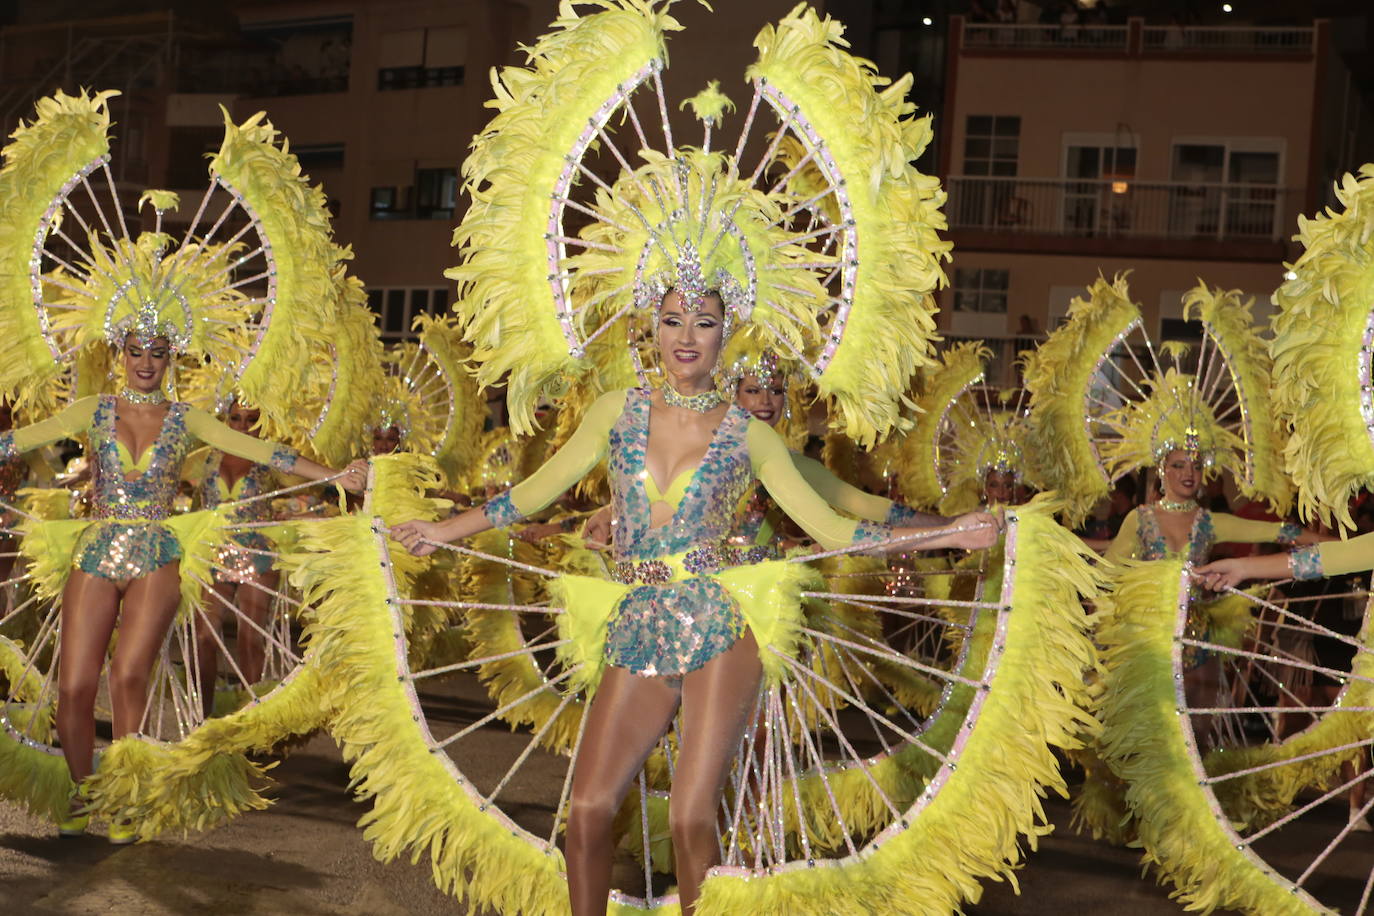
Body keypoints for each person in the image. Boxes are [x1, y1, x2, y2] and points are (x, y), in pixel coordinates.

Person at [392, 287, 997, 915]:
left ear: (723, 335)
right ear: (651, 329)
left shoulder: (750, 436)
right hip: (637, 623)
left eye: (703, 323)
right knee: (589, 810)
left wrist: (945, 532)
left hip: (719, 623)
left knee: (688, 817)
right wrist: (443, 530)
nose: (686, 336)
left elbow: (834, 527)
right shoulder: (613, 411)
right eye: (673, 320)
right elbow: (531, 492)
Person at [0, 333, 362, 840]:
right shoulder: (93, 409)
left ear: (171, 358)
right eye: (135, 351)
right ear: (119, 355)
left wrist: (335, 476)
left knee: (128, 675)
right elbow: (18, 441)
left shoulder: (185, 418)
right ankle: (84, 792)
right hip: (96, 550)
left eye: (157, 352)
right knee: (75, 686)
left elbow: (262, 450)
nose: (145, 363)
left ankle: (126, 798)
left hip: (157, 554)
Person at [184, 398, 296, 716]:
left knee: (250, 638)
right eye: (236, 419)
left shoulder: (271, 459)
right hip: (212, 556)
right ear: (225, 420)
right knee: (203, 636)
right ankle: (202, 718)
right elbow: (159, 475)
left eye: (252, 420)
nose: (243, 427)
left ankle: (249, 719)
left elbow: (315, 485)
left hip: (258, 555)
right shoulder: (204, 459)